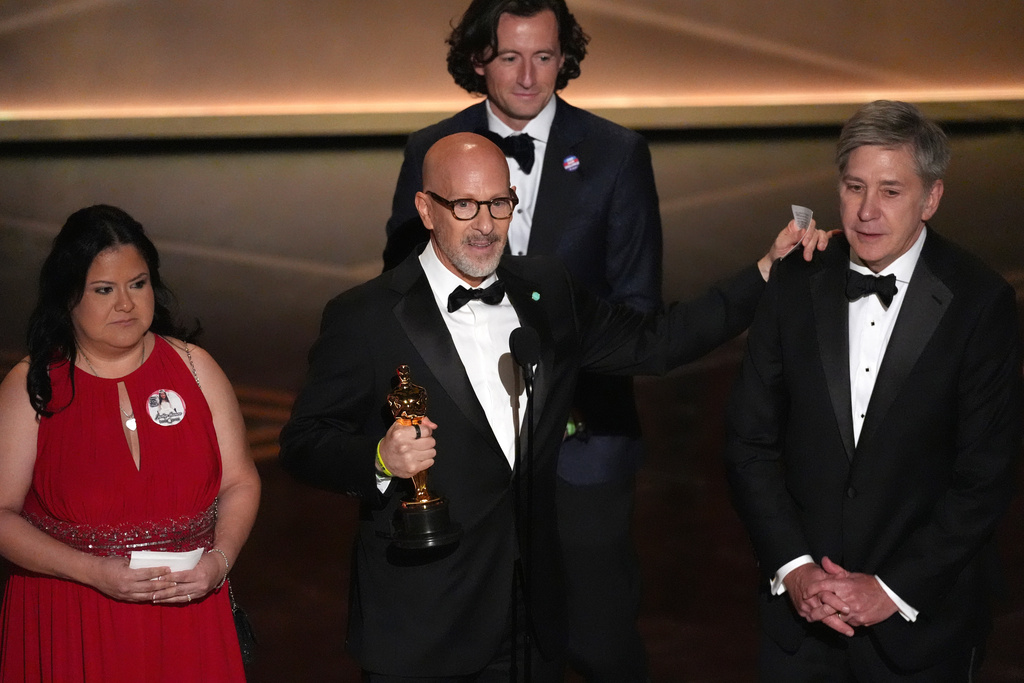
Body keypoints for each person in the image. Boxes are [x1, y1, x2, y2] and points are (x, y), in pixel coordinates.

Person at [279, 132, 827, 680]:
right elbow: (305, 442)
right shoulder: (367, 316)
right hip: (424, 624)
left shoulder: (546, 290)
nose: (486, 224)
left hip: (532, 622)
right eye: (465, 205)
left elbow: (657, 341)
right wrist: (378, 459)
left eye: (499, 203)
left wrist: (764, 273)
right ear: (426, 208)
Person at [382, 2, 662, 677]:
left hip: (583, 446)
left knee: (599, 643)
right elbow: (400, 297)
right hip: (466, 449)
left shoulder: (616, 153)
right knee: (477, 640)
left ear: (565, 56)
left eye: (545, 55)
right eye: (511, 56)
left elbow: (638, 312)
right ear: (478, 58)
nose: (531, 75)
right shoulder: (430, 150)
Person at [724, 100, 1022, 680]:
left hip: (920, 624)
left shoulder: (980, 302)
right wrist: (796, 568)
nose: (865, 212)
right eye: (854, 186)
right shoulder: (796, 278)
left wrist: (891, 588)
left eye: (890, 191)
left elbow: (986, 475)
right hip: (800, 622)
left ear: (931, 198)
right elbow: (748, 442)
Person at [0, 205, 261, 682]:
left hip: (189, 620)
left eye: (137, 284)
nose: (125, 304)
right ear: (68, 297)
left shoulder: (196, 367)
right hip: (74, 619)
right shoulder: (32, 386)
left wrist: (219, 562)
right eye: (104, 289)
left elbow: (240, 479)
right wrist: (94, 572)